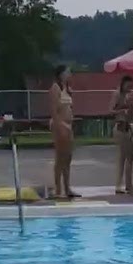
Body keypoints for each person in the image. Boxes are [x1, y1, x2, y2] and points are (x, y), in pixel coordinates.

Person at [48, 65, 78, 200]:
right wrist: (60, 126)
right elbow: (54, 110)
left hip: (68, 124)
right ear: (60, 74)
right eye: (67, 72)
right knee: (60, 158)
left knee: (68, 158)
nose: (69, 74)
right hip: (60, 124)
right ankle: (58, 188)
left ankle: (67, 187)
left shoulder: (66, 88)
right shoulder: (55, 88)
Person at [111, 76, 133, 195]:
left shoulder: (130, 97)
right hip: (120, 126)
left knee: (129, 157)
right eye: (128, 86)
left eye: (132, 86)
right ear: (123, 84)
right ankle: (121, 184)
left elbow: (132, 116)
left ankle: (127, 183)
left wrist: (131, 105)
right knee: (123, 156)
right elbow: (111, 110)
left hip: (128, 127)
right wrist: (121, 110)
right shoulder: (117, 94)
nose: (130, 88)